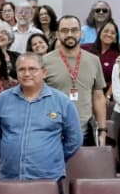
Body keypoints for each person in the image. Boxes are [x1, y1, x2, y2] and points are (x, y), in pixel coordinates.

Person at [0, 54, 80, 180]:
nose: (26, 74)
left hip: (49, 178)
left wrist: (53, 157)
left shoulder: (62, 102)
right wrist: (9, 154)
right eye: (21, 69)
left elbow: (74, 139)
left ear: (44, 72)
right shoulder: (1, 100)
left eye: (32, 69)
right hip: (11, 177)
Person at [42, 15, 108, 147]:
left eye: (74, 30)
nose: (70, 34)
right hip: (54, 133)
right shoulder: (45, 61)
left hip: (85, 133)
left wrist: (102, 130)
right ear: (57, 34)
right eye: (65, 30)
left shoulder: (94, 60)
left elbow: (99, 97)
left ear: (81, 33)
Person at [84, 20, 120, 96]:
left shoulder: (118, 56)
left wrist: (107, 96)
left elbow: (116, 80)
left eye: (113, 33)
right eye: (106, 31)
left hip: (104, 97)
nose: (109, 34)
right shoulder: (85, 49)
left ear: (115, 38)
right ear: (99, 33)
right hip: (84, 93)